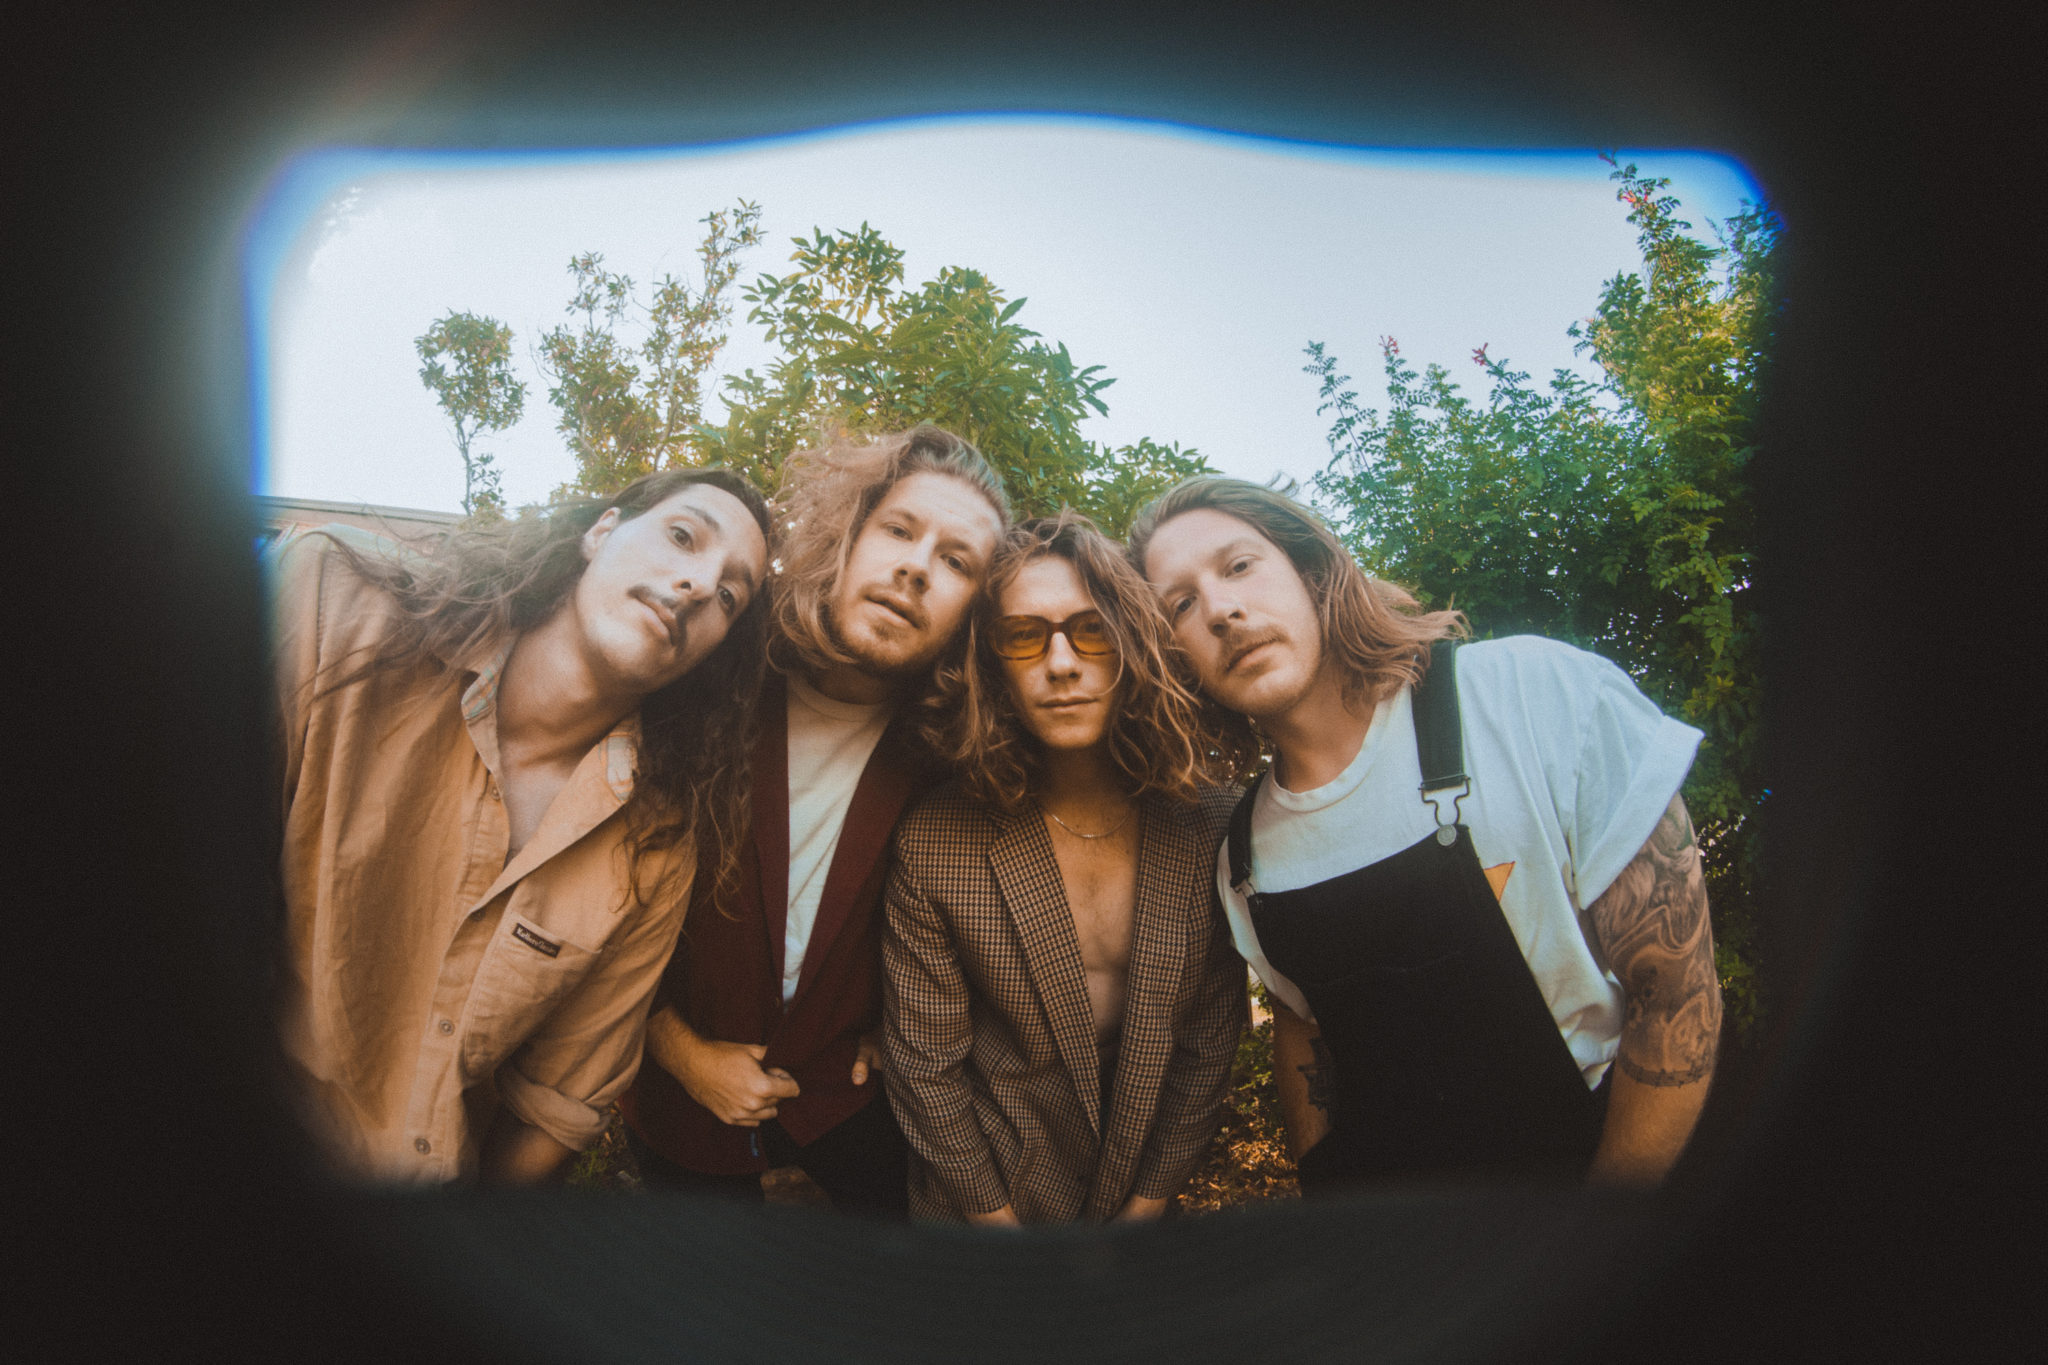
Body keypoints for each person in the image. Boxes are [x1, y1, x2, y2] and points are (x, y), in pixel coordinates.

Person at [1131, 477, 1722, 1190]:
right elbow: (1301, 1025)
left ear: (1310, 569)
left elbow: (1675, 992)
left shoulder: (1534, 694)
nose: (1221, 610)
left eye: (1239, 565)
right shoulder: (1244, 858)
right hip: (1397, 1233)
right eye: (1181, 604)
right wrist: (1327, 1189)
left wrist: (1601, 1234)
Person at [271, 468, 773, 1184]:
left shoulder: (655, 848)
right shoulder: (335, 601)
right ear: (601, 532)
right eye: (683, 535)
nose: (698, 584)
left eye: (729, 595)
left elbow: (558, 1106)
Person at [619, 426, 1009, 1215]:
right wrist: (682, 1052)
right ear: (845, 536)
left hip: (850, 1102)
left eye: (956, 561)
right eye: (898, 529)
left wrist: (900, 1025)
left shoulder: (956, 755)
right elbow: (598, 887)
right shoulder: (711, 670)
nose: (915, 566)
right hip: (680, 1105)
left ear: (977, 610)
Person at [882, 512, 1255, 1224]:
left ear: (1133, 644)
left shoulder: (1212, 821)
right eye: (1024, 635)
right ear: (992, 663)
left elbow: (1208, 1044)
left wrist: (1144, 1211)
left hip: (1140, 1194)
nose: (1061, 664)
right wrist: (999, 1233)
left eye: (1092, 629)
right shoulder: (936, 840)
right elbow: (926, 1066)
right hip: (983, 1200)